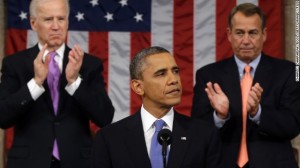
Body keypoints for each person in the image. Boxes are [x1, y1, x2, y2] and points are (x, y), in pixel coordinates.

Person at [0, 0, 114, 167]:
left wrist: (75, 82)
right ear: (33, 23)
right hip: (28, 162)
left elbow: (105, 117)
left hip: (78, 162)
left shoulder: (89, 64)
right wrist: (36, 82)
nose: (56, 26)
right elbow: (3, 118)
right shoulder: (14, 64)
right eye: (48, 19)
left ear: (67, 22)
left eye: (61, 19)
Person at [191, 2, 300, 168]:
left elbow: (293, 124)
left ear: (264, 34)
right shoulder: (208, 75)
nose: (246, 40)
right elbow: (197, 131)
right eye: (240, 33)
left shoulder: (288, 71)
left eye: (253, 33)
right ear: (229, 35)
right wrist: (220, 116)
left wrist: (258, 112)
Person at [91, 46, 222, 168]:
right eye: (161, 74)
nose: (174, 80)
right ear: (138, 87)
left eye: (175, 71)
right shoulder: (109, 139)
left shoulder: (204, 134)